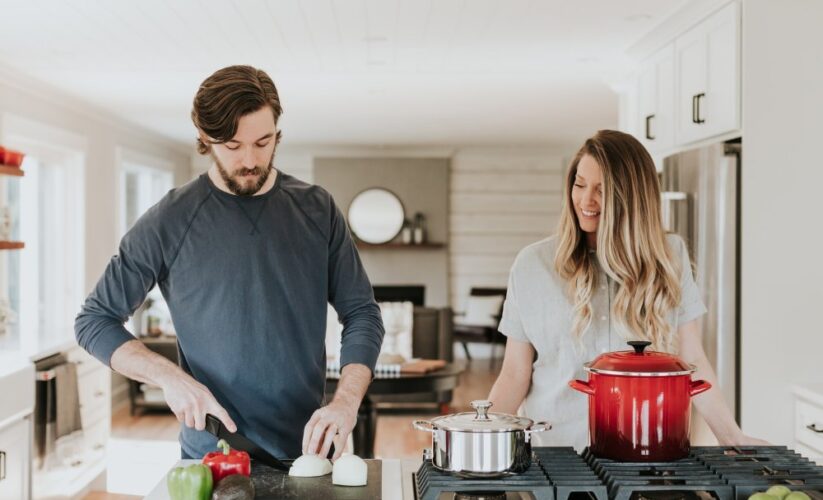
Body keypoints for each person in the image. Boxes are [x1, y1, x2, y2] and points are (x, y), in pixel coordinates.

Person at [75, 65, 384, 460]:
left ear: (277, 134)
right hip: (213, 454)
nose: (251, 160)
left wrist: (345, 403)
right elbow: (94, 321)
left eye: (263, 141)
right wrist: (170, 377)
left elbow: (362, 313)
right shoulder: (170, 219)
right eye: (233, 146)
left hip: (311, 451)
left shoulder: (316, 209)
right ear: (205, 139)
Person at [487, 129, 765, 450]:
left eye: (602, 191)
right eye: (579, 184)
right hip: (556, 456)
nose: (585, 200)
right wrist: (479, 442)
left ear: (631, 198)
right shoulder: (532, 264)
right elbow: (514, 374)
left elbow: (693, 359)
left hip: (649, 453)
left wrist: (731, 436)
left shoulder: (670, 256)